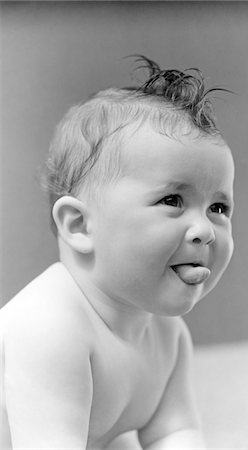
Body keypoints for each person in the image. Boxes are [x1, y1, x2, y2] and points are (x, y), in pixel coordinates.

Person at [0, 56, 235, 449]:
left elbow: (175, 432)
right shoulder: (47, 326)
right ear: (79, 225)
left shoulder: (168, 334)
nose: (205, 231)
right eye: (173, 199)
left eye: (219, 208)